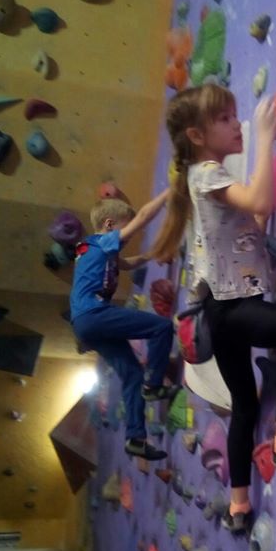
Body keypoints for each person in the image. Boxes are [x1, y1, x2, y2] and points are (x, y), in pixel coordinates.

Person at [149, 84, 276, 534]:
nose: (236, 125)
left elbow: (250, 219)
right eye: (225, 119)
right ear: (197, 135)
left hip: (222, 311)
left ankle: (238, 505)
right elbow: (260, 202)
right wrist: (265, 138)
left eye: (235, 117)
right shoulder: (207, 174)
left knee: (245, 406)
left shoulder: (201, 179)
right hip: (231, 308)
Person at [70, 192, 175, 460]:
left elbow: (127, 264)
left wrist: (152, 254)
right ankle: (153, 386)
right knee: (161, 327)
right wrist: (168, 193)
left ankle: (136, 438)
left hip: (84, 323)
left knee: (131, 374)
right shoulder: (101, 242)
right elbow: (143, 217)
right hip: (94, 314)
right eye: (123, 232)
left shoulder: (93, 250)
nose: (125, 240)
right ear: (108, 224)